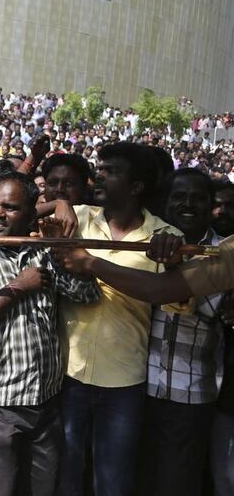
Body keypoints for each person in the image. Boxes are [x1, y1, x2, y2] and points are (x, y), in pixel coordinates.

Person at [0, 172, 100, 496]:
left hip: (45, 403)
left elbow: (87, 294)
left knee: (41, 489)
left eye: (10, 207)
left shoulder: (41, 253)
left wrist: (61, 250)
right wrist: (17, 287)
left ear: (31, 214)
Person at [57, 142, 183, 496]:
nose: (99, 175)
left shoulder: (163, 237)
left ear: (137, 186)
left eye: (111, 171)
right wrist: (61, 202)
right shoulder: (79, 218)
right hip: (70, 375)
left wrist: (93, 264)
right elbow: (27, 205)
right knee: (66, 477)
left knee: (112, 482)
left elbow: (167, 288)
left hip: (123, 384)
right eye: (100, 168)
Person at [125, 168, 227, 496]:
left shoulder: (222, 253)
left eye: (197, 198)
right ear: (166, 203)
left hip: (191, 393)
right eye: (179, 197)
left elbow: (207, 309)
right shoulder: (147, 244)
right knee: (140, 480)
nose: (187, 205)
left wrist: (173, 268)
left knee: (178, 484)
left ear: (211, 206)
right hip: (141, 388)